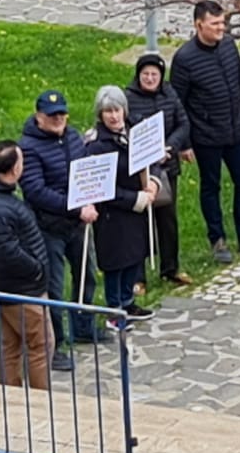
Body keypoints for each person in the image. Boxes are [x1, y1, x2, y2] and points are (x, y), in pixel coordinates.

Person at [171, 0, 240, 264]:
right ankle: (217, 239)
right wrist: (184, 143)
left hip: (236, 130)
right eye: (215, 24)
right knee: (211, 186)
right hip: (206, 136)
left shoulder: (229, 46)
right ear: (199, 25)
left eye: (222, 23)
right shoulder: (184, 59)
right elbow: (177, 104)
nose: (221, 28)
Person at [17, 88, 101, 367]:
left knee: (87, 275)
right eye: (52, 115)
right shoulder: (28, 148)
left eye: (62, 113)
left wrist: (92, 195)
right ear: (39, 117)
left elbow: (85, 172)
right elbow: (36, 191)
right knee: (53, 286)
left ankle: (84, 327)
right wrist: (78, 206)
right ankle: (55, 344)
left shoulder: (74, 137)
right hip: (48, 227)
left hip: (78, 224)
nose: (59, 118)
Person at [0, 140, 53, 390]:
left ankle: (9, 398)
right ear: (13, 169)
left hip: (8, 288)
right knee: (41, 345)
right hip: (23, 290)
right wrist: (36, 268)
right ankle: (40, 401)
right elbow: (7, 250)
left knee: (10, 345)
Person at [83, 86, 160, 320]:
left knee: (134, 256)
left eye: (116, 110)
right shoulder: (96, 146)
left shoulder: (136, 133)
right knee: (116, 262)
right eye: (108, 112)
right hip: (113, 213)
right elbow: (100, 187)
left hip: (137, 208)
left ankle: (128, 302)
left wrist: (153, 182)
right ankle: (114, 308)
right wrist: (134, 199)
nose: (114, 116)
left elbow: (152, 158)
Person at [124, 52, 192, 285]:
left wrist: (170, 146)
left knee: (168, 219)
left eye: (154, 74)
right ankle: (138, 277)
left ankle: (170, 268)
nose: (150, 78)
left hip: (166, 166)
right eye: (145, 74)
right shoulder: (128, 98)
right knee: (141, 221)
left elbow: (183, 123)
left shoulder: (170, 94)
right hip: (140, 170)